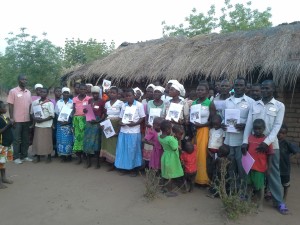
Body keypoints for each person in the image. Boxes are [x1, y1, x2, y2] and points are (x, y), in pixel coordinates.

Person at [242, 80, 288, 214]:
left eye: (267, 88)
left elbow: (277, 127)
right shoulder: (254, 105)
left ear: (273, 89)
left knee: (273, 173)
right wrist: (245, 141)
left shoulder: (279, 106)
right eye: (262, 88)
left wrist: (266, 143)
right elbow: (249, 125)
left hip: (271, 145)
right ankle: (249, 195)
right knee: (251, 170)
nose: (264, 90)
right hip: (254, 145)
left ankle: (279, 202)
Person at [223, 77, 254, 192]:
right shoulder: (227, 101)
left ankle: (243, 191)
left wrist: (245, 124)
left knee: (242, 168)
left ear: (245, 87)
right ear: (233, 86)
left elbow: (251, 120)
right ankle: (232, 190)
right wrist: (223, 124)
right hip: (229, 140)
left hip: (242, 141)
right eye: (236, 85)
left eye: (241, 85)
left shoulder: (250, 102)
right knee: (231, 167)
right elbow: (223, 118)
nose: (238, 87)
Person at [244, 119, 274, 211]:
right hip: (249, 167)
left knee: (259, 187)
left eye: (259, 129)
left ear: (264, 129)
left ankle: (260, 203)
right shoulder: (249, 138)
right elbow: (247, 150)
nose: (257, 131)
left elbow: (270, 155)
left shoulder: (266, 141)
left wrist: (269, 168)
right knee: (249, 185)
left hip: (260, 168)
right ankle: (248, 200)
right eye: (255, 129)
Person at [115, 89, 146, 176]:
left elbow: (142, 117)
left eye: (130, 95)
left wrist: (135, 123)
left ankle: (134, 169)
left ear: (134, 95)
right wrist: (120, 122)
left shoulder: (139, 105)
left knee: (133, 150)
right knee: (124, 150)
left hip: (134, 131)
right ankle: (125, 168)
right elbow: (121, 117)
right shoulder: (124, 106)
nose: (128, 97)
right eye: (126, 96)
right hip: (124, 130)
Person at [192, 82, 216, 186]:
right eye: (198, 90)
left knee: (202, 154)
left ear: (207, 92)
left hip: (204, 131)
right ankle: (194, 176)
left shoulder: (210, 103)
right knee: (194, 153)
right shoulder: (194, 103)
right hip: (194, 131)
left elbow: (214, 120)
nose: (199, 92)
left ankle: (202, 179)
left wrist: (202, 125)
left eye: (202, 90)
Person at [7, 74, 33, 164]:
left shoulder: (28, 92)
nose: (25, 81)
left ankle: (24, 155)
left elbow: (30, 106)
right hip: (16, 120)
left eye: (26, 79)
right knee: (16, 139)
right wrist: (11, 118)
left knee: (25, 139)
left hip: (26, 119)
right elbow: (10, 105)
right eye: (23, 79)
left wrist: (31, 118)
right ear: (18, 80)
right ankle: (16, 157)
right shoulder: (13, 91)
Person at [100, 87, 123, 171]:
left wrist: (118, 130)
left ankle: (114, 163)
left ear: (117, 94)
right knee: (107, 142)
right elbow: (105, 115)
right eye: (110, 93)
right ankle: (108, 160)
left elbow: (122, 116)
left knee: (114, 143)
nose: (111, 94)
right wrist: (102, 124)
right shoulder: (107, 103)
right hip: (107, 124)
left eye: (113, 93)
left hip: (116, 124)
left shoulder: (121, 103)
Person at [158, 120, 184, 197]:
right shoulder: (170, 139)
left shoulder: (160, 137)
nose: (172, 130)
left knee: (165, 174)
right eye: (171, 129)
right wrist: (176, 140)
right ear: (167, 130)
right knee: (170, 176)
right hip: (171, 158)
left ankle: (162, 188)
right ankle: (169, 191)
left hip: (165, 156)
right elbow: (174, 148)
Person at [83, 86, 105, 169]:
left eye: (96, 93)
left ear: (99, 93)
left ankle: (98, 163)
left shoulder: (102, 101)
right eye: (93, 93)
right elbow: (87, 111)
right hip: (89, 122)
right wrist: (85, 111)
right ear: (91, 94)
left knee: (96, 142)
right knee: (88, 141)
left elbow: (104, 114)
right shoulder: (90, 100)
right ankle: (88, 162)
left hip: (97, 123)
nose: (95, 95)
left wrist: (98, 122)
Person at [31, 88, 55, 163]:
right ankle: (38, 156)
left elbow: (52, 115)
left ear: (47, 93)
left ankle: (49, 156)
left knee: (47, 141)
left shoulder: (49, 103)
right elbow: (31, 113)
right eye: (41, 92)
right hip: (38, 125)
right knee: (38, 141)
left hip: (47, 124)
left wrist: (42, 120)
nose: (42, 93)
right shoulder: (35, 102)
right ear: (39, 93)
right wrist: (35, 119)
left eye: (44, 92)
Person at [277, 124, 300, 201]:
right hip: (276, 167)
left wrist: (289, 158)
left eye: (283, 133)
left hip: (285, 168)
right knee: (276, 181)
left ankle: (285, 196)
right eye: (279, 132)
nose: (280, 134)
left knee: (285, 184)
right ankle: (272, 195)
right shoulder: (274, 142)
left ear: (286, 134)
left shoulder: (287, 143)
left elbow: (297, 153)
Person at [72, 84, 91, 164]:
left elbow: (90, 110)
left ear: (86, 90)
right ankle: (79, 157)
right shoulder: (75, 99)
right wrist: (73, 121)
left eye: (84, 89)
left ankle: (86, 157)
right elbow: (73, 110)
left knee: (85, 138)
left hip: (86, 119)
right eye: (81, 89)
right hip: (76, 119)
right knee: (78, 139)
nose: (82, 91)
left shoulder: (89, 99)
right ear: (78, 90)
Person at [55, 87, 73, 162]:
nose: (66, 94)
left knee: (69, 140)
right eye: (64, 92)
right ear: (62, 93)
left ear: (69, 94)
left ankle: (69, 155)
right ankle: (62, 156)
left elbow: (73, 114)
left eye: (67, 93)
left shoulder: (72, 102)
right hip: (60, 124)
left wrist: (68, 122)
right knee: (61, 140)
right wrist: (59, 121)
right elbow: (56, 113)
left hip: (68, 124)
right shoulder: (59, 102)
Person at [0, 101, 14, 189]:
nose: (6, 108)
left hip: (6, 143)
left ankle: (3, 178)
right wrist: (8, 125)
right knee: (0, 162)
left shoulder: (3, 117)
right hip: (1, 144)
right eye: (3, 107)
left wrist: (10, 123)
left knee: (3, 162)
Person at [207, 114, 225, 181]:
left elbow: (223, 142)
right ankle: (211, 181)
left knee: (217, 168)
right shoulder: (211, 130)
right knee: (210, 167)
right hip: (210, 152)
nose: (215, 126)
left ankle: (216, 182)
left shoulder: (222, 131)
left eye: (217, 124)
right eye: (214, 124)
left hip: (218, 153)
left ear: (220, 123)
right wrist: (208, 151)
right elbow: (209, 140)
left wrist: (220, 153)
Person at [52, 87, 62, 158]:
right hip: (53, 120)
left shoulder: (62, 101)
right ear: (54, 92)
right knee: (54, 136)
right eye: (57, 91)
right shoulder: (51, 101)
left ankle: (60, 151)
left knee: (60, 136)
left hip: (61, 120)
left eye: (59, 91)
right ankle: (55, 152)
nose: (58, 93)